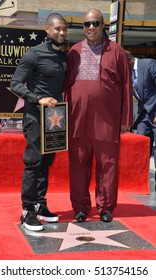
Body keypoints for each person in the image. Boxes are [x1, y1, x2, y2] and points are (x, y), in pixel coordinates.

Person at [65, 9, 133, 223]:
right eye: (87, 24)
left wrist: (126, 119)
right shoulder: (74, 51)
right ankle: (80, 207)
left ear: (103, 25)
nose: (91, 27)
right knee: (78, 164)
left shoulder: (117, 52)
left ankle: (105, 208)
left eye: (95, 23)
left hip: (107, 121)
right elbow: (66, 86)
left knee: (108, 165)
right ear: (83, 27)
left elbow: (127, 88)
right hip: (78, 120)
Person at [10, 13, 67, 231]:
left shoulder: (63, 56)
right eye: (57, 29)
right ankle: (27, 211)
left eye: (64, 29)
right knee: (33, 163)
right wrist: (38, 99)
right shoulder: (33, 54)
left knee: (46, 163)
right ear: (47, 29)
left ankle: (40, 204)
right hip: (35, 117)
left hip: (55, 119)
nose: (61, 33)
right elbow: (15, 83)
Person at [126, 50, 156, 187]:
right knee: (142, 145)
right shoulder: (128, 74)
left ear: (130, 60)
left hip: (155, 111)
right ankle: (140, 182)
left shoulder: (149, 64)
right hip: (143, 114)